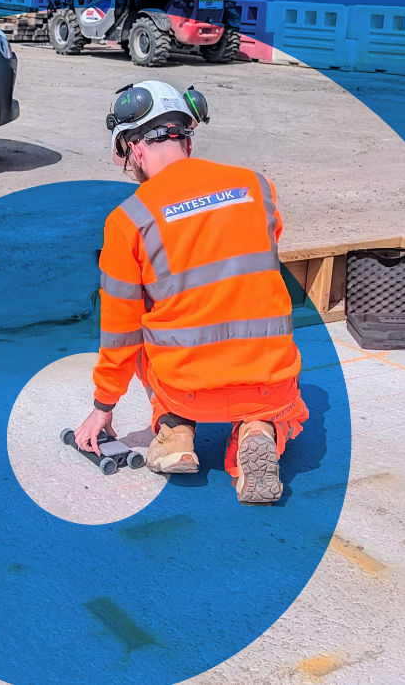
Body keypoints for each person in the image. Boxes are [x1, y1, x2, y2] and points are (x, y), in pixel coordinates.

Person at [73, 80, 309, 504]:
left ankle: (175, 430)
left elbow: (120, 331)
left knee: (144, 312)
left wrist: (103, 406)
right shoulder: (258, 187)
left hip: (188, 385)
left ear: (135, 148)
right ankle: (259, 430)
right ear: (186, 137)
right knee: (249, 303)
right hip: (268, 379)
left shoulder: (129, 220)